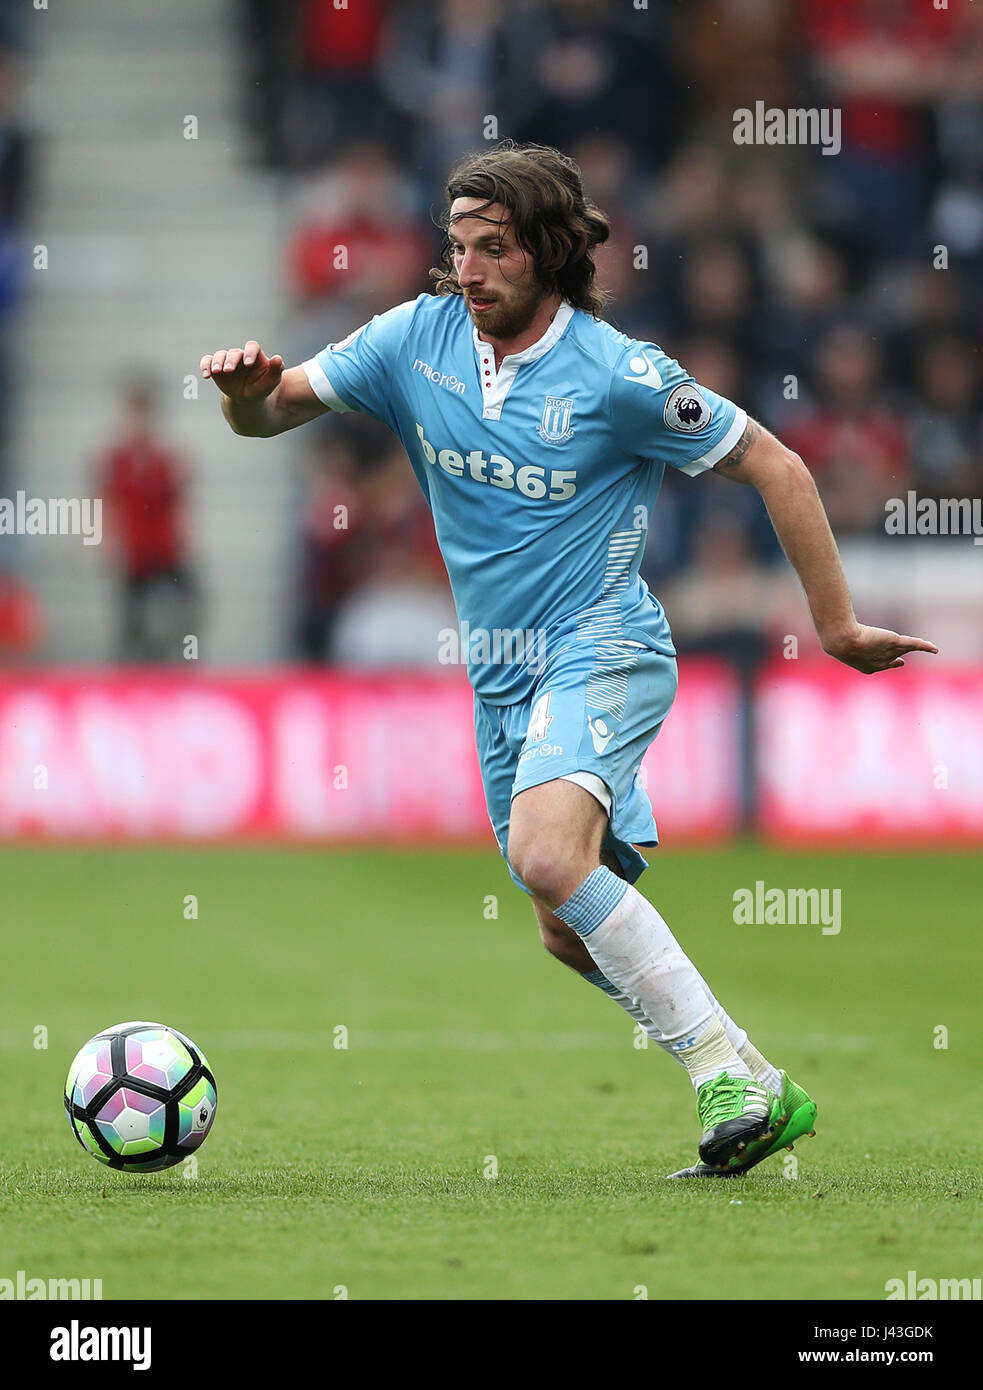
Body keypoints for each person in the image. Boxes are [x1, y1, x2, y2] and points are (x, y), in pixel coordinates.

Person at [200, 141, 937, 1176]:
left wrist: (834, 624)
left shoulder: (619, 374)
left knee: (548, 857)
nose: (468, 269)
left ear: (546, 253)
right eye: (456, 246)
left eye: (493, 249)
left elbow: (777, 463)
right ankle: (756, 1081)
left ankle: (720, 1070)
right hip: (499, 680)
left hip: (605, 643)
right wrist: (244, 392)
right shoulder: (411, 340)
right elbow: (272, 413)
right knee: (561, 926)